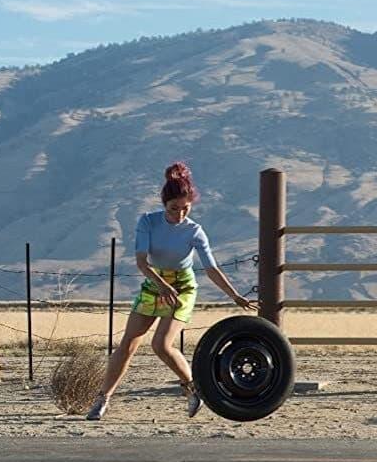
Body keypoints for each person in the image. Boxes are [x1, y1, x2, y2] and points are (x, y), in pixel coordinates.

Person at [86, 162, 257, 420]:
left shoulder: (195, 231)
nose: (179, 215)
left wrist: (234, 295)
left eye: (185, 209)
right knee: (127, 345)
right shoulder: (148, 222)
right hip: (155, 282)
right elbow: (142, 262)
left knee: (161, 344)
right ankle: (103, 399)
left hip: (182, 287)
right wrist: (161, 285)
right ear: (164, 204)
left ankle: (191, 388)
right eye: (173, 208)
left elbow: (211, 268)